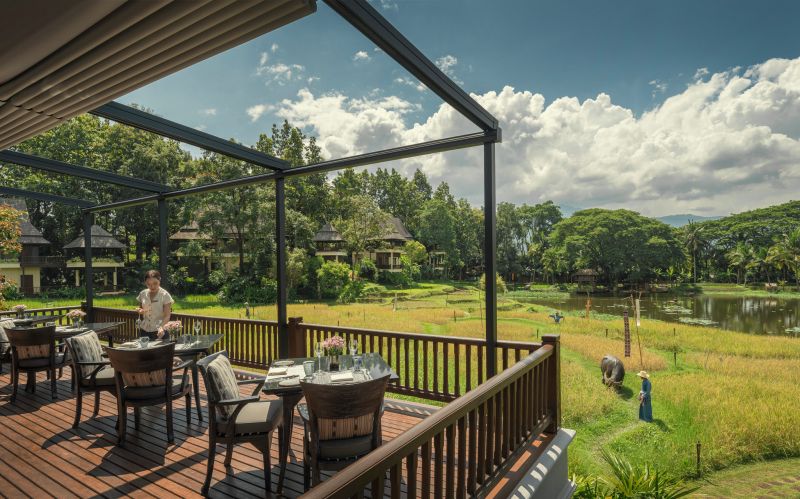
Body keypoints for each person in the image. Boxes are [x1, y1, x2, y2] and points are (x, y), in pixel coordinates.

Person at [136, 270, 174, 341]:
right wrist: (140, 310)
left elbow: (167, 316)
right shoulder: (142, 294)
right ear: (145, 283)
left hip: (160, 331)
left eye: (155, 283)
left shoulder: (165, 295)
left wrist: (161, 328)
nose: (152, 286)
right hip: (144, 330)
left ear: (159, 280)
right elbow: (140, 308)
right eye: (148, 284)